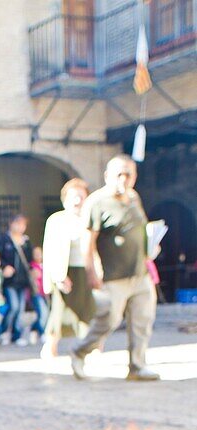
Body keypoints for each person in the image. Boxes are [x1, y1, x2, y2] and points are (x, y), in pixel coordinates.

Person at [70, 155, 158, 382]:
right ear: (107, 176)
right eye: (119, 174)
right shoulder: (97, 202)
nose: (124, 179)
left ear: (135, 176)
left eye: (128, 174)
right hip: (112, 276)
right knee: (108, 321)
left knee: (142, 320)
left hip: (139, 273)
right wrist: (92, 271)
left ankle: (137, 366)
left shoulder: (134, 198)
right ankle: (80, 350)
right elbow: (87, 241)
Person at [42, 178, 95, 358]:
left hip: (87, 270)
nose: (77, 200)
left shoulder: (91, 219)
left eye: (81, 196)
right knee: (59, 311)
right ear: (65, 199)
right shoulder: (56, 221)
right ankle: (50, 346)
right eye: (73, 196)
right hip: (65, 271)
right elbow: (50, 250)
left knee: (89, 311)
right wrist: (57, 275)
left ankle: (91, 349)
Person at [0, 214, 34, 347]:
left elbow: (30, 260)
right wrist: (4, 267)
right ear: (11, 224)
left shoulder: (26, 241)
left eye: (23, 224)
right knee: (14, 306)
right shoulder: (4, 240)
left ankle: (16, 335)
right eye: (18, 224)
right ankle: (3, 331)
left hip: (22, 280)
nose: (20, 227)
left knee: (20, 308)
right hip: (10, 281)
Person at [28, 246, 49, 344]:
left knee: (45, 313)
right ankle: (42, 333)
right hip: (36, 293)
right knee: (43, 313)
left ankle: (33, 329)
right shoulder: (31, 266)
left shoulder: (45, 265)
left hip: (45, 292)